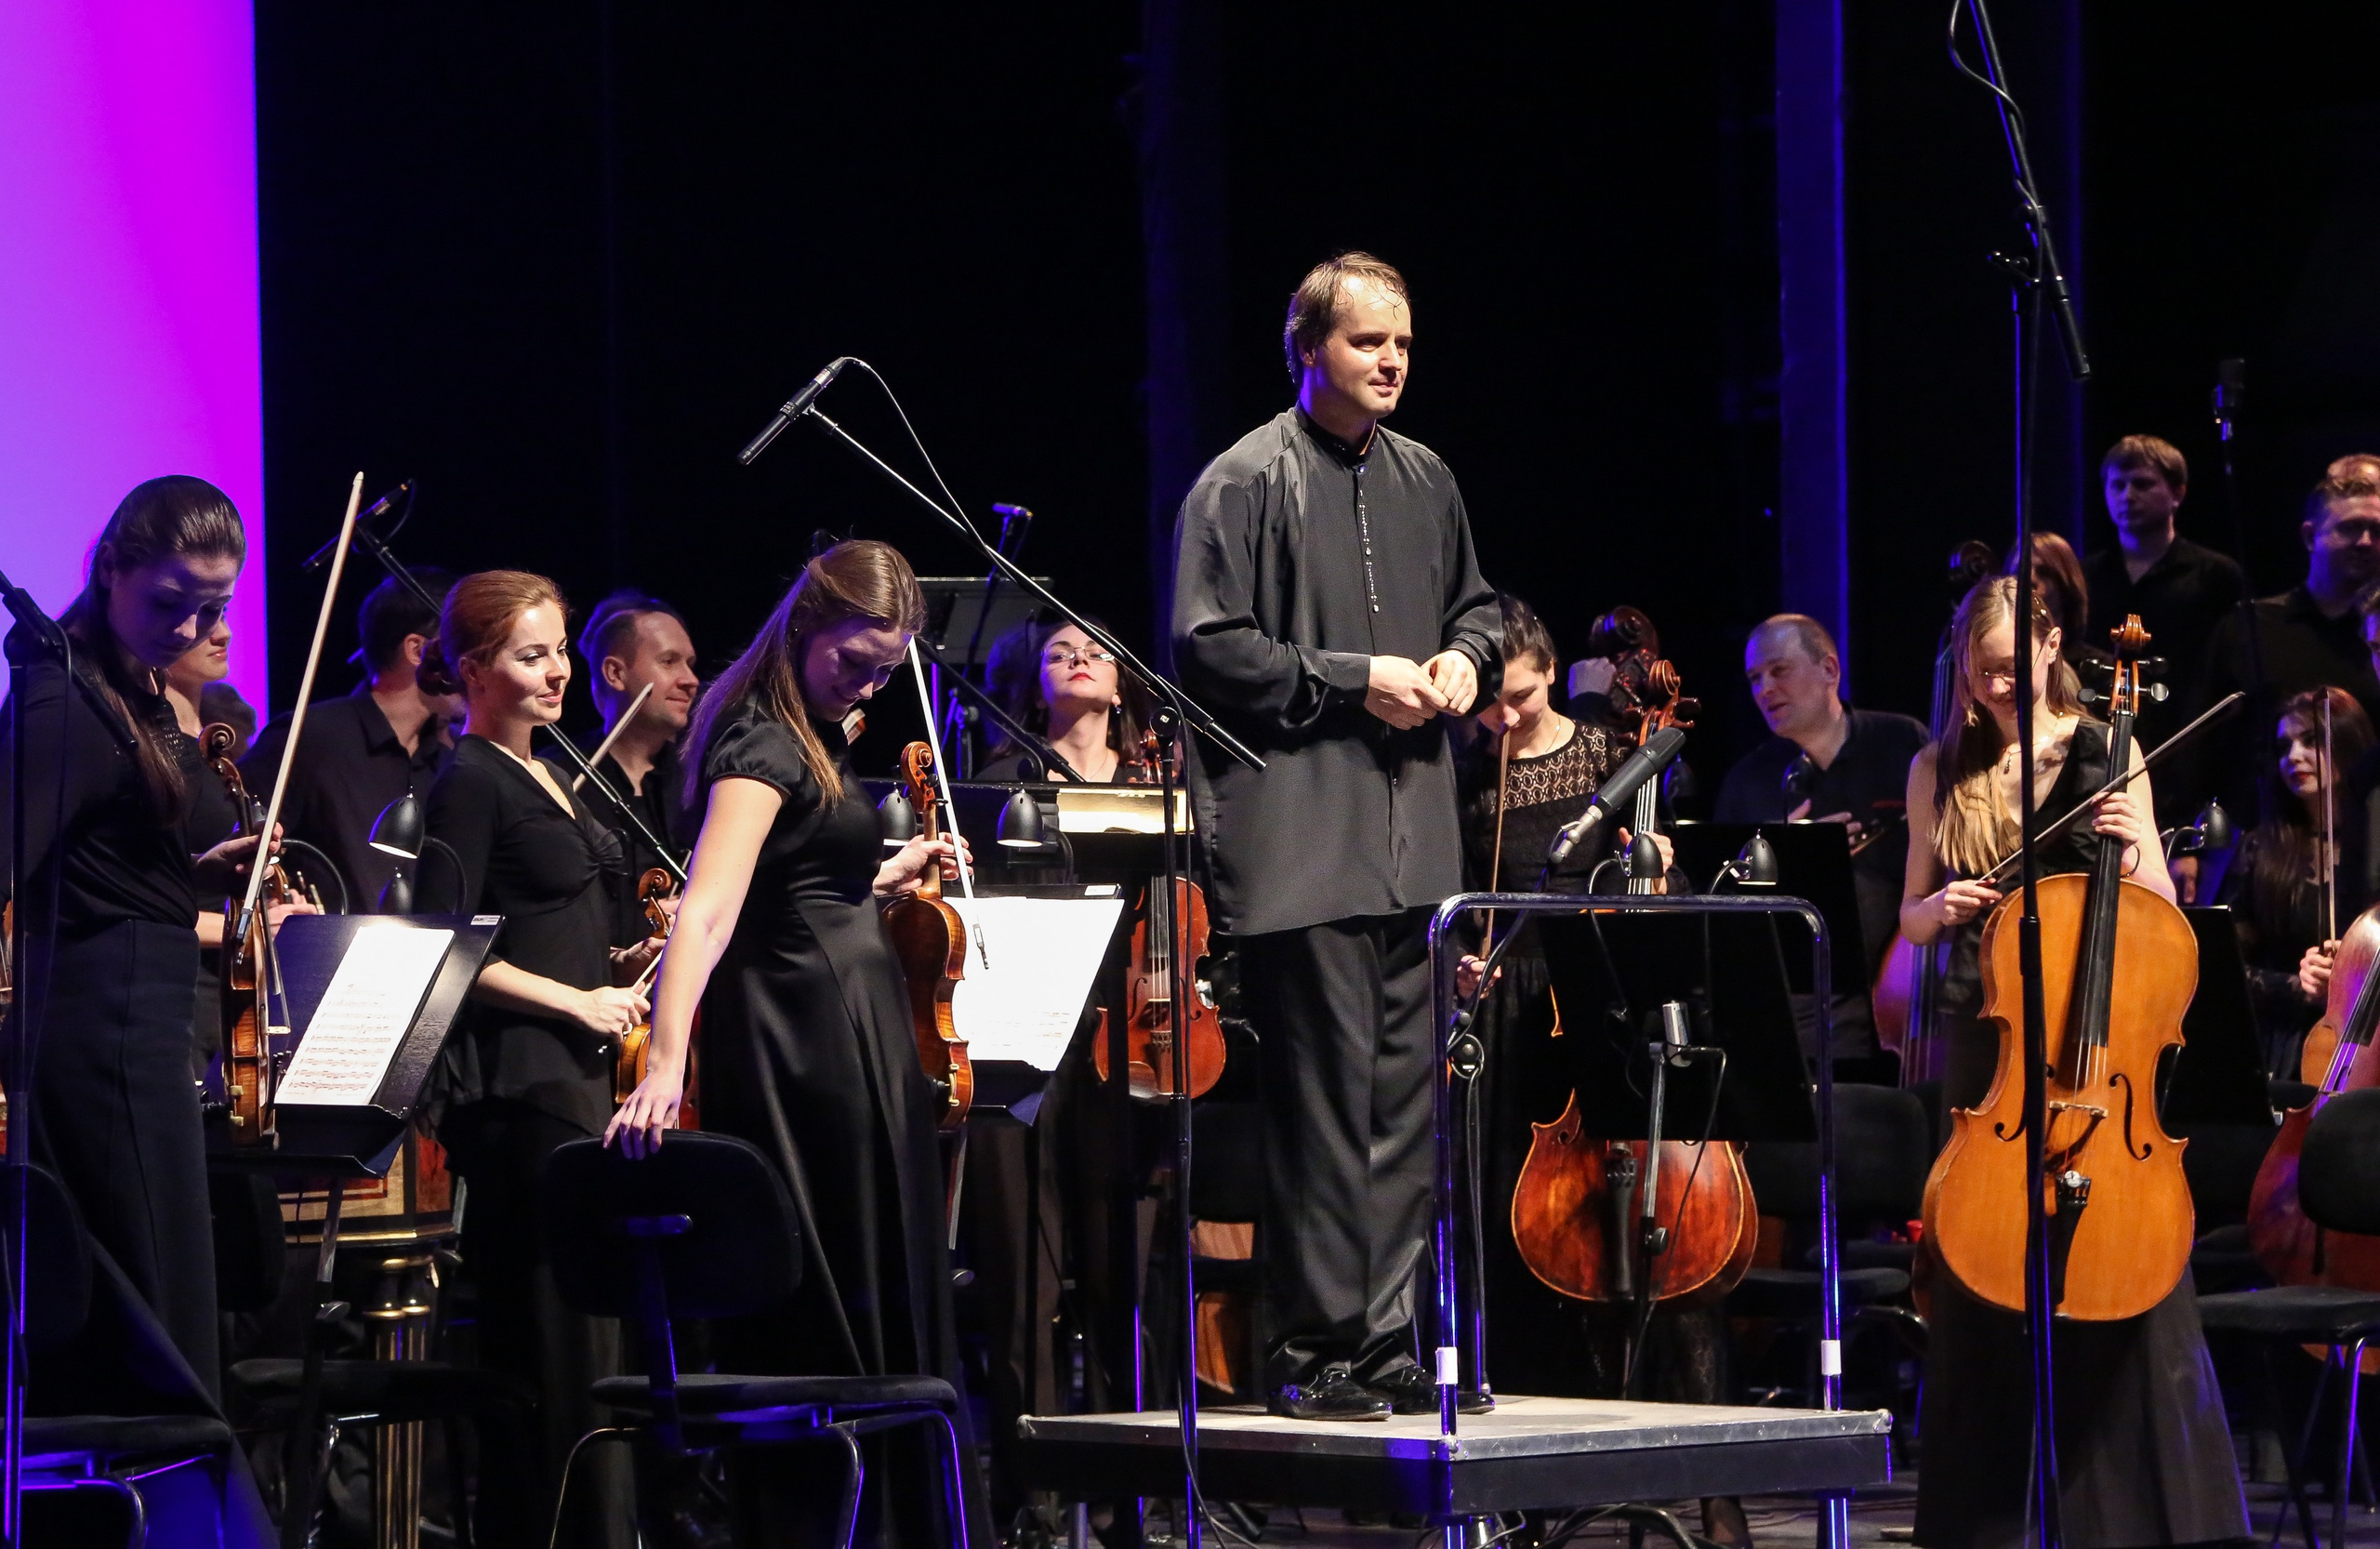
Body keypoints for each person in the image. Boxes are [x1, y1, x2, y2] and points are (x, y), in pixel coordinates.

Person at [1170, 250, 1501, 1421]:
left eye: (1403, 342)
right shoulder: (1243, 481)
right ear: (1309, 348)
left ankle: (1383, 1342)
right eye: (1368, 342)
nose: (1392, 360)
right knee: (1323, 1109)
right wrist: (1356, 678)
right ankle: (1312, 1353)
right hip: (1305, 847)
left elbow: (1479, 605)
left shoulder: (1428, 478)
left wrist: (1469, 654)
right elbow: (1210, 650)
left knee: (1402, 1105)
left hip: (1415, 844)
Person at [607, 540, 989, 1543]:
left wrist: (886, 871)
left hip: (840, 1032)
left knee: (874, 1280)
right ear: (804, 628)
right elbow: (709, 908)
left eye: (883, 669)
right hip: (804, 1049)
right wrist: (665, 1058)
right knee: (835, 1294)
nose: (865, 683)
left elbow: (794, 889)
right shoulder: (763, 742)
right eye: (852, 661)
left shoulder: (798, 732)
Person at [1897, 575, 2246, 1549]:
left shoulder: (2110, 748)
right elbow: (1912, 917)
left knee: (2117, 1274)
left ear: (2052, 646)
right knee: (1981, 1282)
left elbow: (2157, 918)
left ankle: (2135, 1518)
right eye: (1985, 667)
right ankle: (1987, 1523)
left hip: (2094, 1048)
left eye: (2018, 663)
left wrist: (2133, 848)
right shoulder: (1939, 766)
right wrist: (1944, 911)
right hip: (1993, 1052)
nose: (2003, 683)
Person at [0, 476, 284, 1398]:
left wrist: (194, 873)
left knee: (159, 1286)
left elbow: (96, 858)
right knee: (154, 1295)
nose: (193, 627)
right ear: (110, 569)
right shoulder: (66, 703)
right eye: (170, 602)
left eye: (214, 607)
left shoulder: (131, 695)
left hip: (140, 1013)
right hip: (103, 1026)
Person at [414, 571, 657, 1547]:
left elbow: (552, 929)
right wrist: (579, 998)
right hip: (522, 1091)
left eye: (559, 650)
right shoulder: (468, 777)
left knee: (595, 1339)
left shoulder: (547, 767)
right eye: (531, 654)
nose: (558, 671)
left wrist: (625, 959)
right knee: (555, 1346)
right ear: (473, 670)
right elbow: (445, 943)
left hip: (579, 1079)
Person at [1714, 613, 1927, 1009]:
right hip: (1800, 998)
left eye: (1780, 670)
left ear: (1829, 669)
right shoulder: (1746, 781)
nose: (1765, 689)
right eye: (1755, 678)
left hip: (1903, 986)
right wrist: (1789, 859)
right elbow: (1723, 908)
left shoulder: (1902, 742)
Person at [243, 570, 461, 912]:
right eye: (461, 648)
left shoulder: (447, 761)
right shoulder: (311, 736)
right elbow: (236, 846)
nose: (473, 668)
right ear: (417, 650)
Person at [2195, 470, 2380, 829]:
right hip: (2260, 839)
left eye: (2377, 531)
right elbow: (2203, 746)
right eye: (2349, 528)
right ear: (2310, 536)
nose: (2366, 541)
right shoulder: (2249, 626)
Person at [2220, 689, 2373, 1075]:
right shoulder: (2262, 848)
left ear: (2348, 743)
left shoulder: (2374, 848)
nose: (2293, 757)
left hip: (2369, 1048)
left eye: (2311, 741)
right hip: (2284, 1050)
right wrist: (2299, 986)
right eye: (2284, 746)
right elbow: (2228, 966)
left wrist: (2355, 974)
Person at [2082, 434, 2248, 737]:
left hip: (2190, 740)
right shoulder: (2085, 574)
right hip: (2098, 732)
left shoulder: (2216, 574)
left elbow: (2233, 670)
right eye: (2117, 485)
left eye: (2142, 484)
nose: (2127, 496)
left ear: (2177, 494)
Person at [565, 590, 702, 943]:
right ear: (615, 673)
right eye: (670, 661)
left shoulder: (701, 780)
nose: (691, 680)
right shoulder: (560, 777)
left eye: (690, 663)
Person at [979, 610, 1155, 782]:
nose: (1079, 657)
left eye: (1096, 654)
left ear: (1118, 691)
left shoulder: (1144, 782)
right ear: (1039, 694)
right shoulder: (1001, 781)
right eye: (1059, 656)